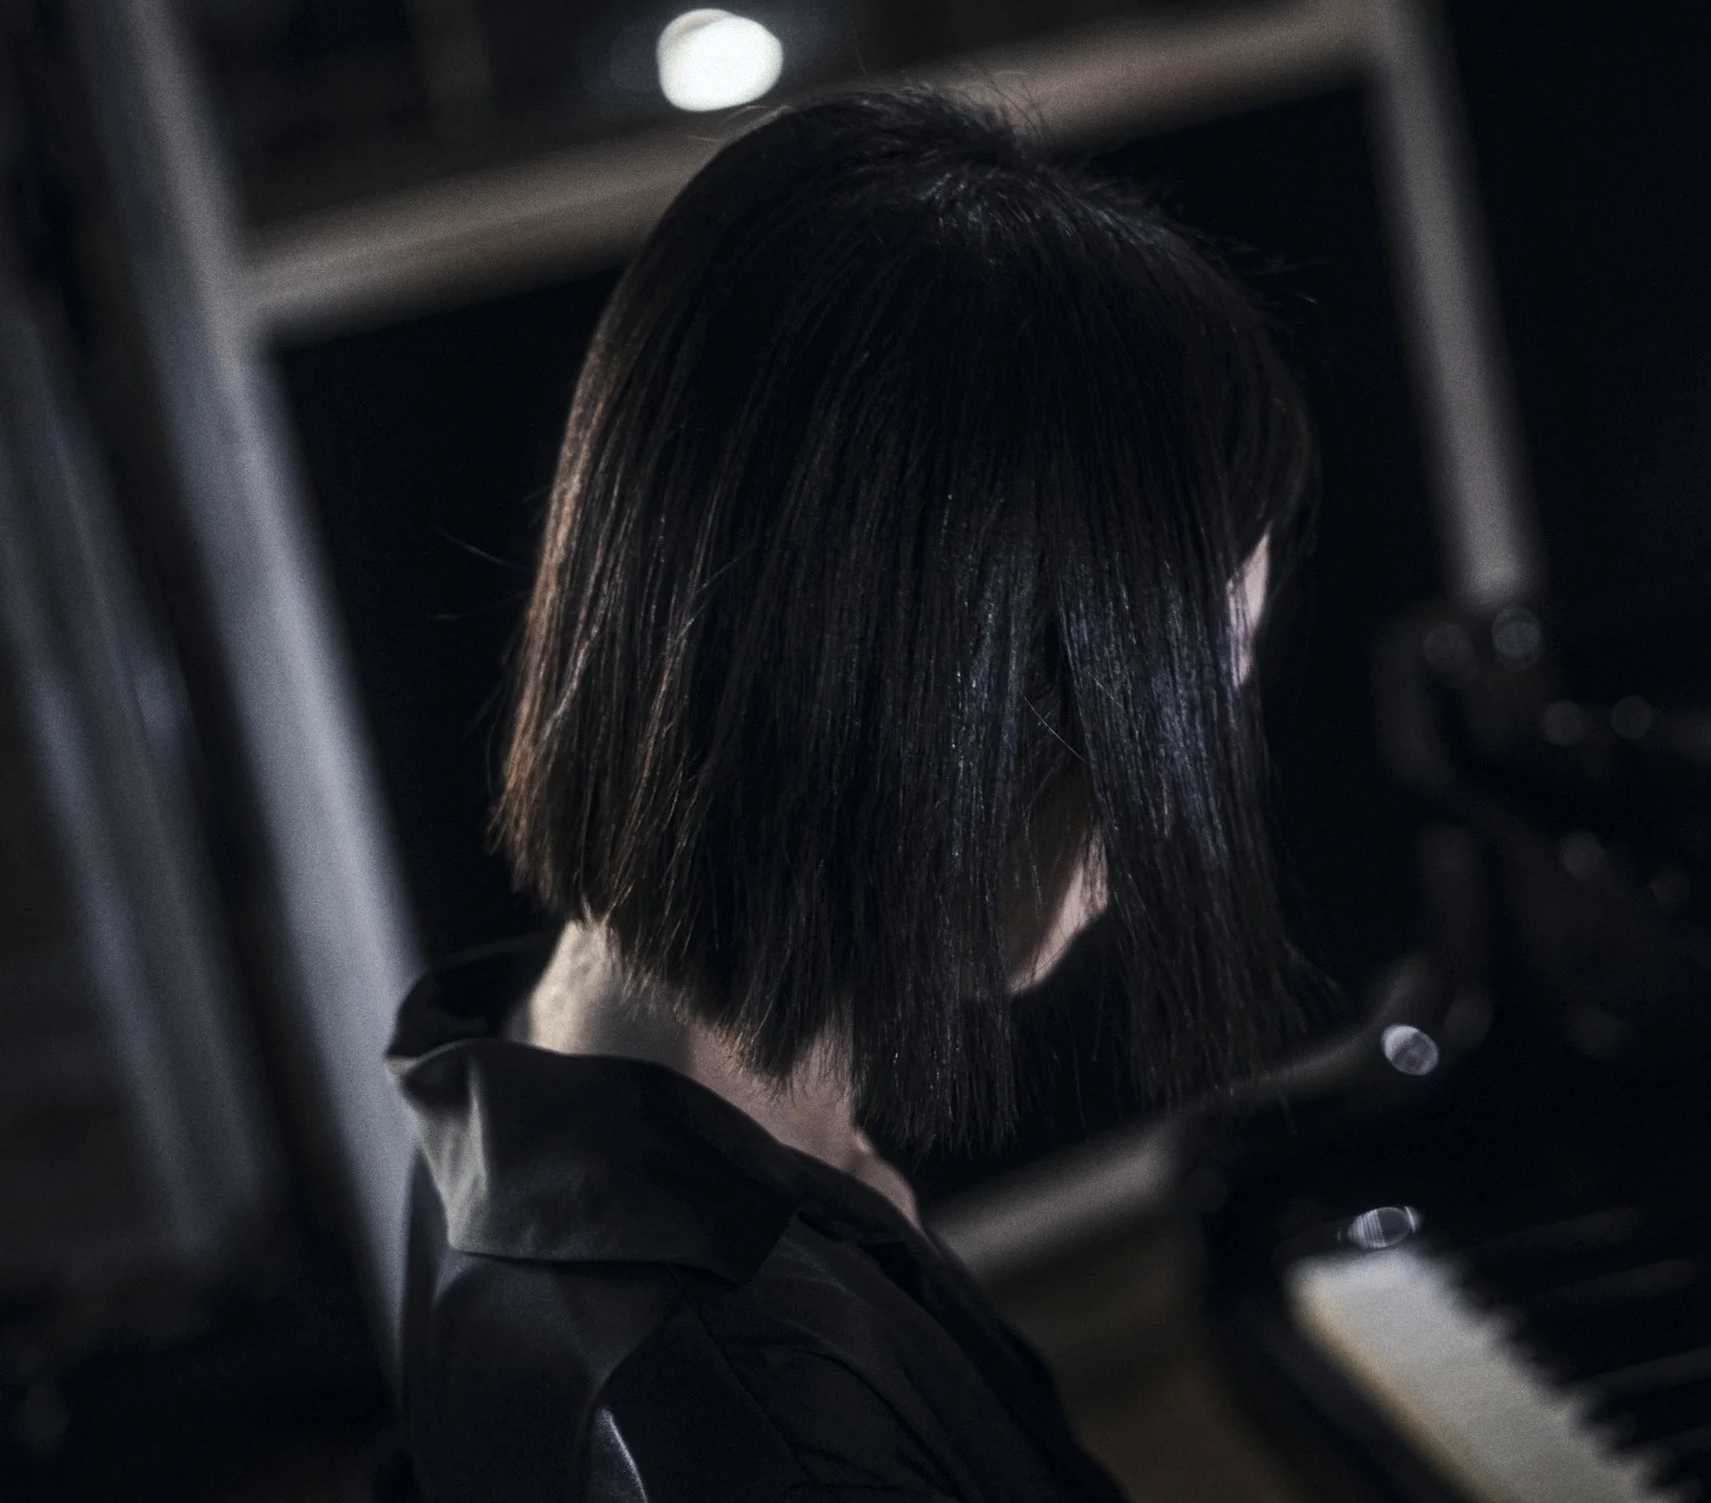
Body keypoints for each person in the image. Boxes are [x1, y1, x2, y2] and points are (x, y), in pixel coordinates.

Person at [385, 90, 1310, 1502]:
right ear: (938, 707)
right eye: (1186, 699)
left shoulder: (524, 1079)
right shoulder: (767, 1429)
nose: (1168, 812)